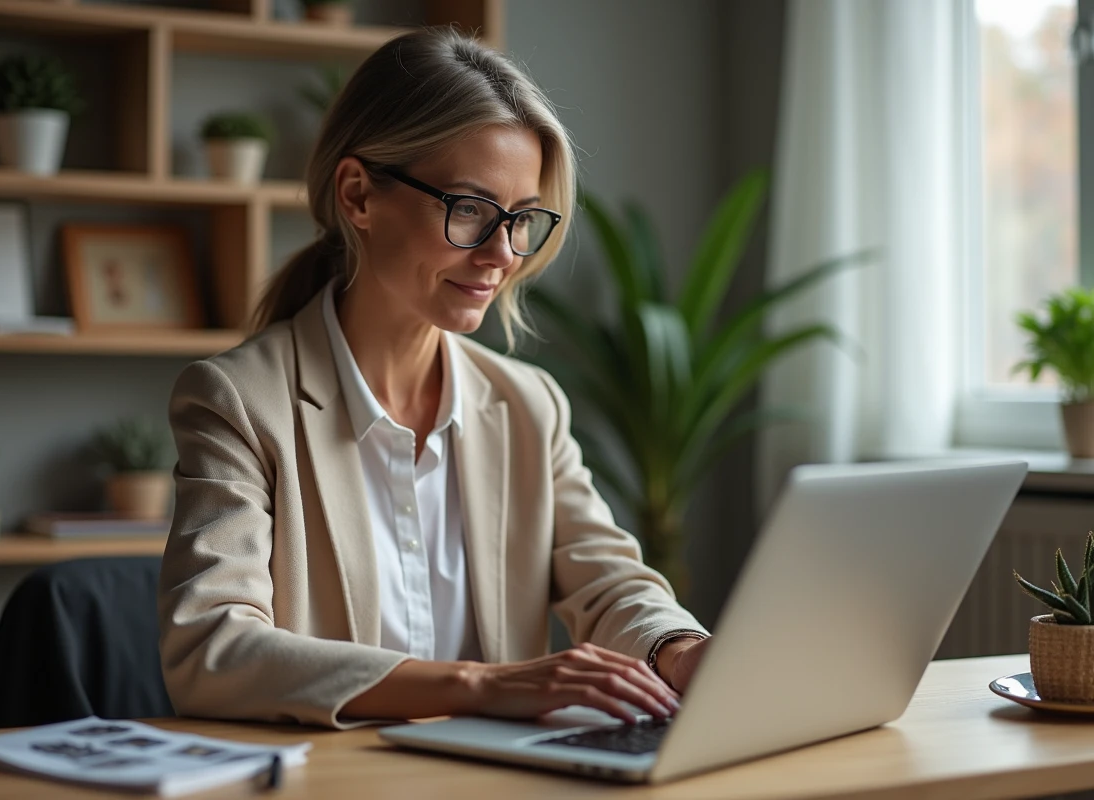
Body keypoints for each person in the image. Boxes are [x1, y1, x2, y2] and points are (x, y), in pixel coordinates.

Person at [158, 26, 711, 730]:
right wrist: (480, 685)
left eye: (521, 219)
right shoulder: (240, 401)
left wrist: (682, 651)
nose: (502, 253)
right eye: (470, 209)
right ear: (358, 195)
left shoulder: (527, 404)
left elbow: (607, 582)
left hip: (495, 776)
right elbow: (211, 649)